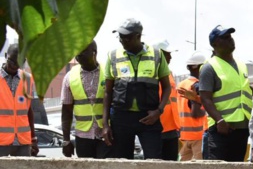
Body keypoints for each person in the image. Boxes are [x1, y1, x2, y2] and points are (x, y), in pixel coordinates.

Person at [102, 18, 171, 159]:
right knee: (122, 163)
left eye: (127, 37)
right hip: (121, 118)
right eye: (120, 37)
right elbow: (108, 92)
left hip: (148, 117)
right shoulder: (113, 55)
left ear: (138, 36)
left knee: (154, 161)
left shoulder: (156, 55)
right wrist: (105, 124)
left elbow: (167, 87)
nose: (122, 40)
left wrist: (158, 111)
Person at [199, 25, 253, 162]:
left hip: (241, 128)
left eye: (230, 36)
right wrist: (220, 120)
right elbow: (206, 99)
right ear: (215, 44)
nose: (230, 40)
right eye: (225, 37)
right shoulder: (209, 67)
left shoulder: (241, 64)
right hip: (221, 129)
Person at [60, 41, 109, 159]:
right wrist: (66, 141)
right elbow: (66, 111)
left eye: (83, 51)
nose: (78, 55)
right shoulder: (69, 77)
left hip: (106, 135)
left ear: (94, 53)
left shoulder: (108, 72)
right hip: (83, 137)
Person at [0, 44, 38, 157]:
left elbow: (29, 110)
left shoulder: (28, 79)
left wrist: (33, 138)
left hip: (23, 142)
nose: (14, 65)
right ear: (6, 56)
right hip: (2, 142)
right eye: (12, 61)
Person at [176, 52, 207, 161]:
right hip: (198, 135)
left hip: (184, 135)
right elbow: (195, 113)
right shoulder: (196, 85)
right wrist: (208, 112)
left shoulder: (181, 84)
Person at [153, 40, 181, 161]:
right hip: (157, 128)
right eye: (167, 54)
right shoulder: (152, 74)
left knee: (171, 167)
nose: (170, 57)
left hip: (171, 128)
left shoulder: (169, 74)